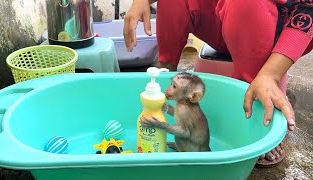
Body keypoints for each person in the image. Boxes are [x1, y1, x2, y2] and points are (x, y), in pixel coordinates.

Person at [123, 0, 313, 167]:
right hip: (221, 17)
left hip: (274, 23)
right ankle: (166, 68)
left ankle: (258, 98)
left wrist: (271, 74)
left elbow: (308, 9)